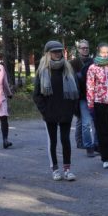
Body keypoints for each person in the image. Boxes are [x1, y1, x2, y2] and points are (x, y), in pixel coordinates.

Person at [33, 41, 80, 181]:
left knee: (65, 140)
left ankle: (67, 170)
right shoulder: (42, 71)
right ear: (48, 54)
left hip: (66, 112)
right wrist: (45, 111)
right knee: (52, 141)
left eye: (59, 51)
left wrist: (72, 109)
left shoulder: (68, 68)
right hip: (50, 113)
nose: (57, 53)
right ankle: (55, 169)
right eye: (54, 51)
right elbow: (36, 95)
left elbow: (76, 92)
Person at [70, 39, 98, 157]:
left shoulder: (94, 62)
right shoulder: (73, 63)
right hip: (81, 97)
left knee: (96, 122)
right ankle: (88, 146)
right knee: (85, 122)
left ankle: (96, 144)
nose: (85, 49)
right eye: (82, 48)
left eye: (86, 48)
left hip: (95, 96)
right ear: (78, 49)